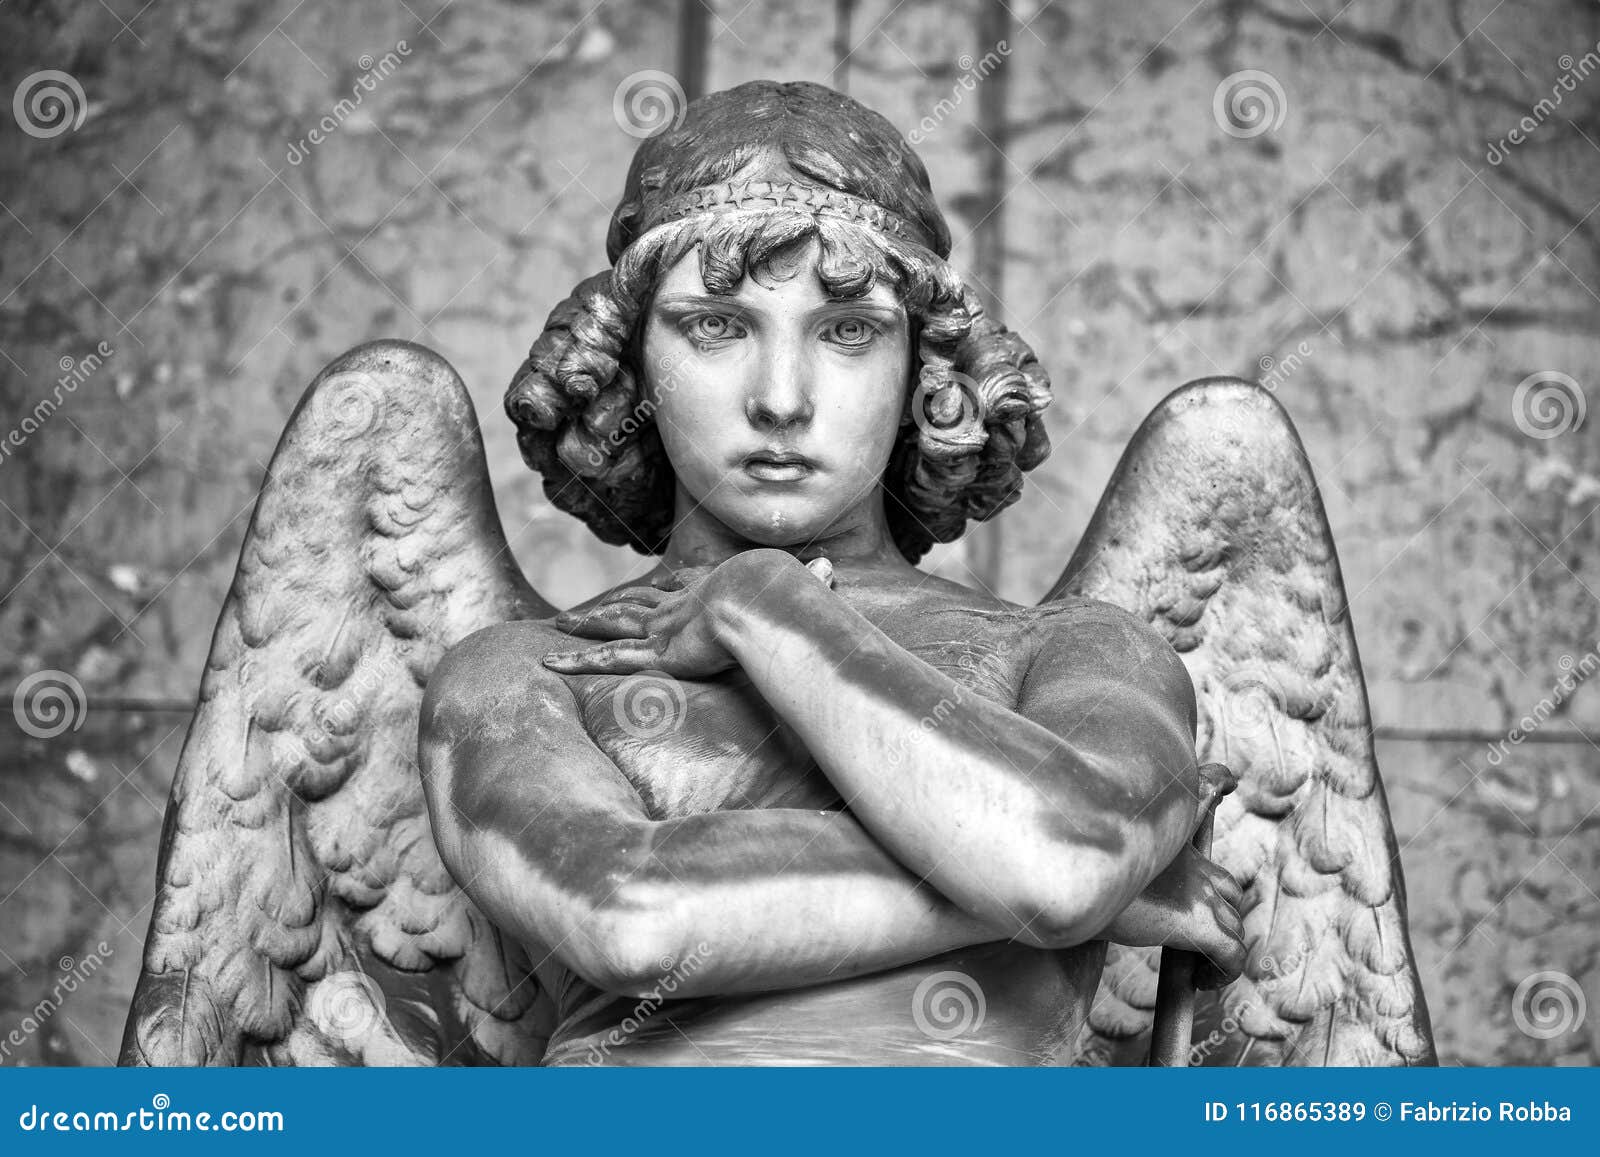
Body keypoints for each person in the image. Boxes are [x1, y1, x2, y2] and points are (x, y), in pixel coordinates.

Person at [417, 80, 1243, 1066]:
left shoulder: (1077, 651)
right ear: (631, 365)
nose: (780, 398)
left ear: (922, 374)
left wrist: (764, 607)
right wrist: (1081, 883)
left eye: (847, 329)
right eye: (715, 326)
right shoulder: (520, 672)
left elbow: (1062, 865)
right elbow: (630, 918)